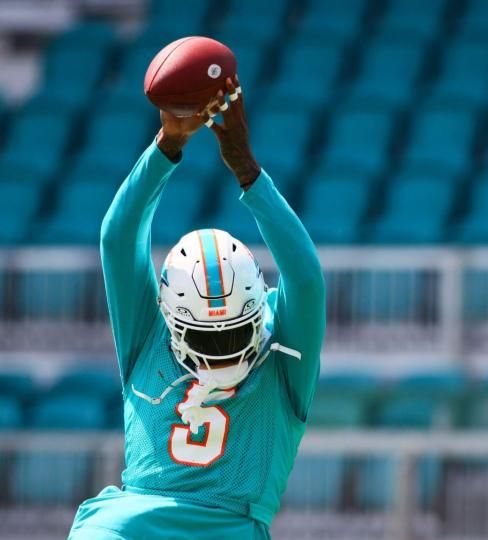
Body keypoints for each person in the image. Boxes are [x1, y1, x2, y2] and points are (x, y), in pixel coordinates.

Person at [68, 76, 326, 540]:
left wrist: (174, 149)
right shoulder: (285, 356)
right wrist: (240, 169)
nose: (220, 351)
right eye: (207, 337)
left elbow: (118, 236)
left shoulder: (152, 334)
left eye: (231, 333)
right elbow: (305, 277)